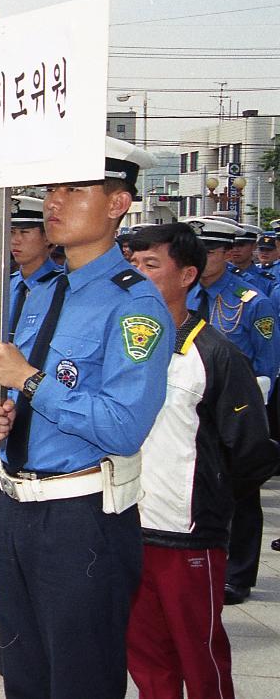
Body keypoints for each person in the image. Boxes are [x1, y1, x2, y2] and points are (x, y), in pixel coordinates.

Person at [0, 138, 173, 699]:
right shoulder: (37, 293)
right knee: (26, 674)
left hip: (82, 518)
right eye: (51, 188)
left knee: (79, 677)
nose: (54, 201)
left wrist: (29, 380)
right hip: (16, 506)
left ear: (118, 204)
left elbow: (123, 426)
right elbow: (16, 391)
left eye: (74, 189)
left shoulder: (133, 305)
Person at [126, 222, 279, 698]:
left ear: (187, 275)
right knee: (147, 658)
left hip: (187, 536)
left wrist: (208, 497)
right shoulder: (122, 344)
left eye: (152, 265)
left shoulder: (215, 353)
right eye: (133, 264)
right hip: (127, 526)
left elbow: (252, 451)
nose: (138, 275)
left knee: (201, 655)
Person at [0, 195, 60, 625]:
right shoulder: (4, 288)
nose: (15, 241)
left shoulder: (60, 288)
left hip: (37, 410)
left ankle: (31, 600)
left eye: (25, 231)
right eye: (11, 233)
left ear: (47, 237)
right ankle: (5, 595)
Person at [185, 216, 279, 607]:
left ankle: (239, 574)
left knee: (241, 495)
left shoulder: (252, 300)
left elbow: (266, 363)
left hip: (234, 407)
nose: (205, 259)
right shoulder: (181, 297)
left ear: (226, 253)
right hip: (189, 404)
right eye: (199, 251)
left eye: (211, 251)